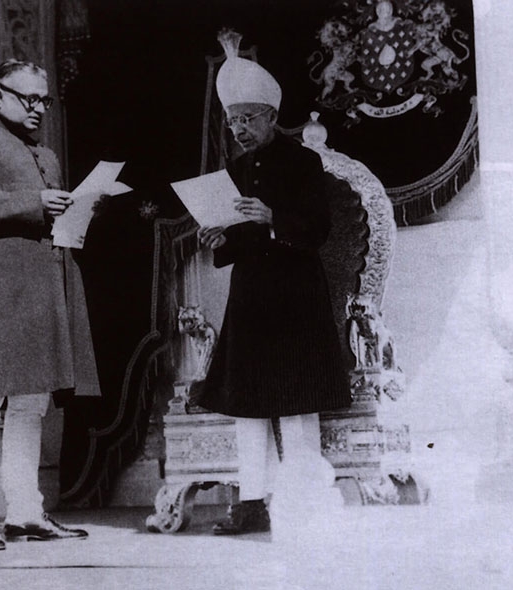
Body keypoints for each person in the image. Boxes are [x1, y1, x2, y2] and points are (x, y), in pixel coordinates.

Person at [195, 30, 351, 535]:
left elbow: (319, 230)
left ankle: (303, 501)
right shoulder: (236, 168)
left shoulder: (303, 162)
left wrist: (272, 217)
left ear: (270, 116)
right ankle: (251, 503)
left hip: (295, 298)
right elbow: (240, 242)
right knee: (248, 405)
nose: (239, 129)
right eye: (232, 120)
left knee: (296, 402)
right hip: (251, 300)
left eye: (247, 118)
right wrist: (220, 238)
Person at [0, 58, 101, 550]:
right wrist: (36, 203)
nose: (37, 109)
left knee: (32, 403)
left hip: (41, 284)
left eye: (43, 100)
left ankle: (26, 511)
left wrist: (79, 207)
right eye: (27, 98)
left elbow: (47, 209)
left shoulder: (46, 155)